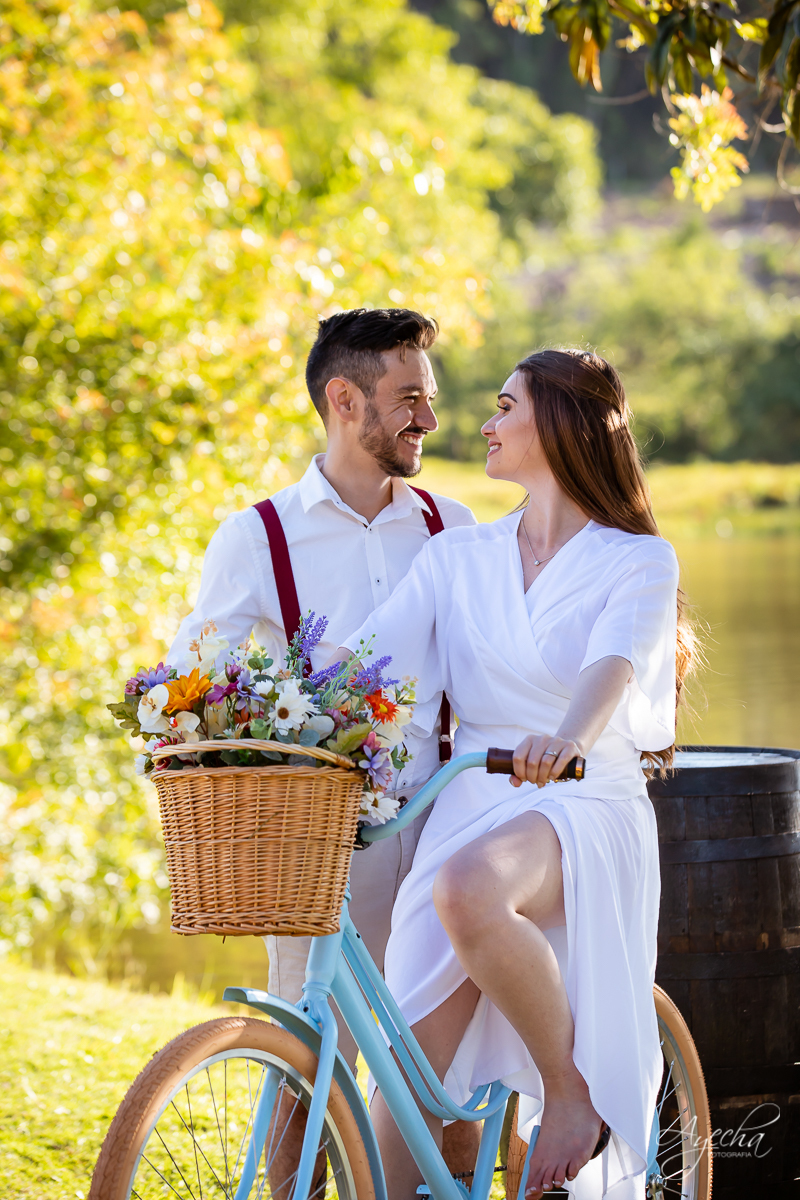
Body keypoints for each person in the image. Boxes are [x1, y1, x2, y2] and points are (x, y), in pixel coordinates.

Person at [334, 349, 694, 1199]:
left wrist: (567, 737)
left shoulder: (638, 560)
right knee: (399, 1112)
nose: (484, 424)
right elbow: (363, 663)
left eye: (504, 406)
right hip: (471, 801)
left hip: (579, 797)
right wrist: (252, 715)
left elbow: (613, 665)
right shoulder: (459, 558)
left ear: (562, 423)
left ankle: (570, 1093)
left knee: (467, 890)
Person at [167, 306, 478, 1178]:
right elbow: (195, 680)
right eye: (409, 397)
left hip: (447, 822)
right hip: (320, 841)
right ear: (346, 400)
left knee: (440, 1065)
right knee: (301, 1062)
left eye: (431, 395)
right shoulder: (257, 537)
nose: (429, 418)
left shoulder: (454, 527)